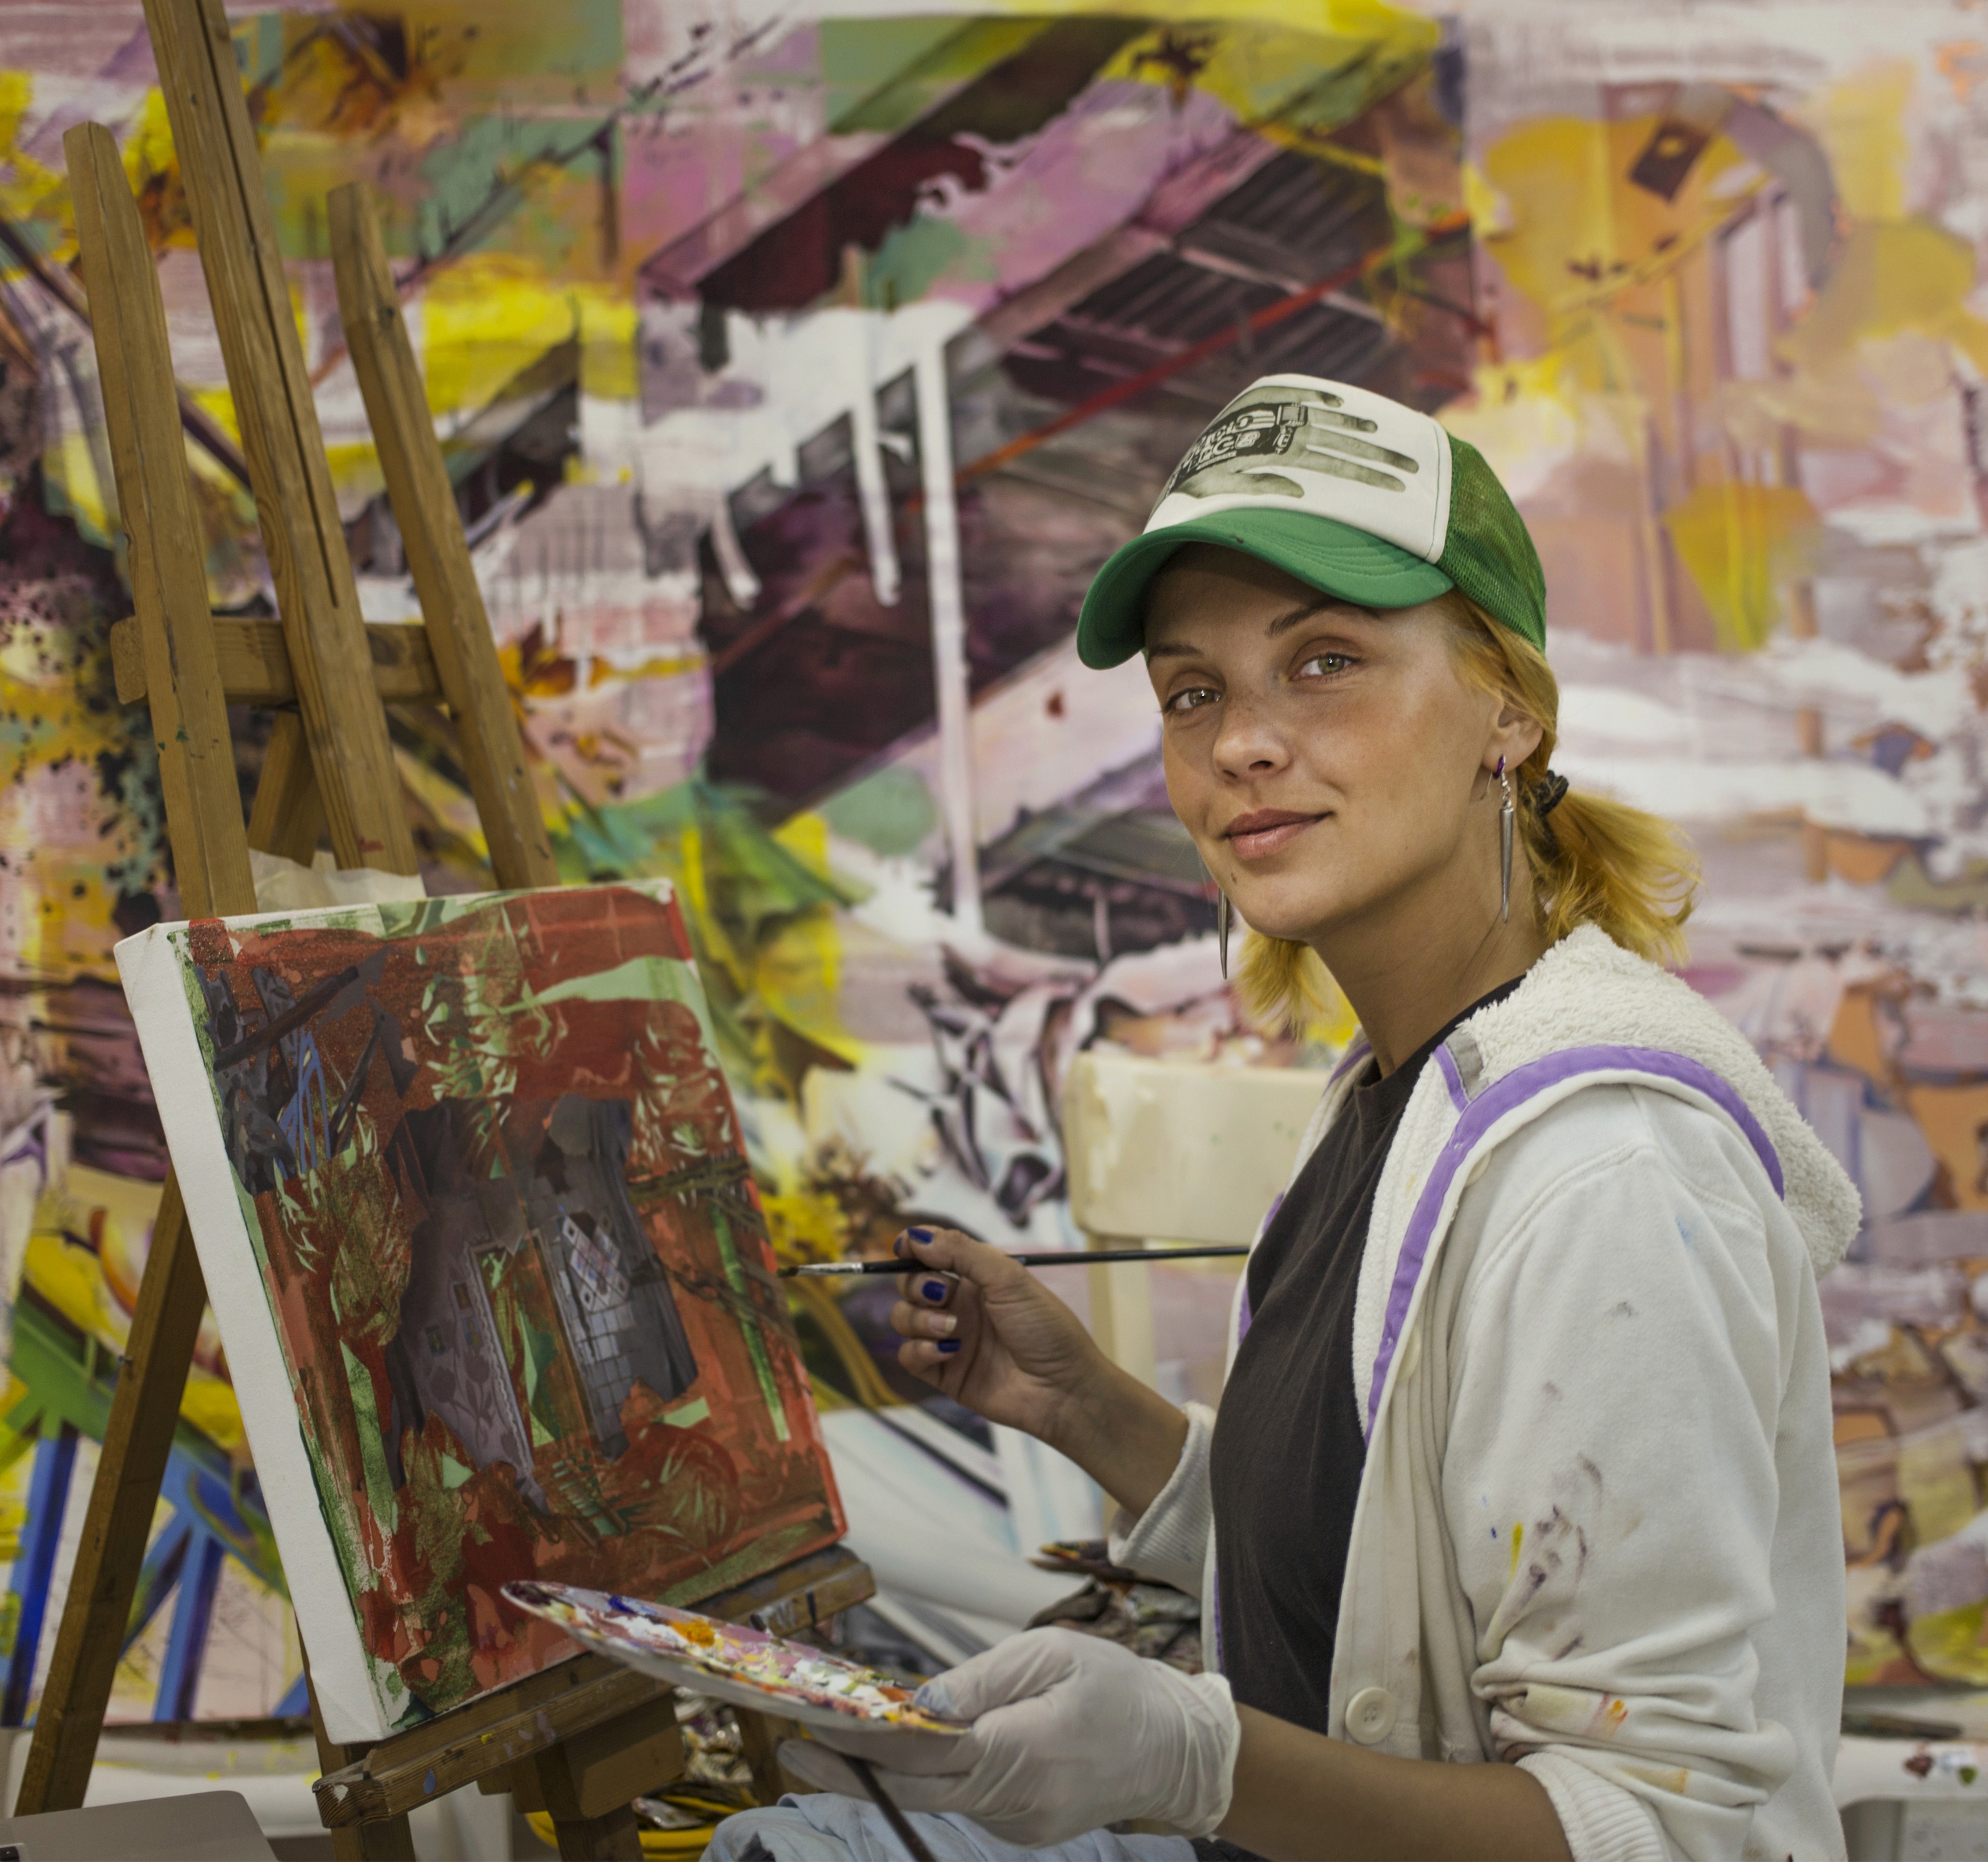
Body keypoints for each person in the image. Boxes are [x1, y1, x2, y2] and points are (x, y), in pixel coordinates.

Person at [712, 374, 1856, 1862]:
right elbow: (1374, 1593)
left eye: (1325, 662)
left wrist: (1197, 1760)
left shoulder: (1599, 1178)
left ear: (1508, 710)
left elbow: (1656, 1832)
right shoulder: (1399, 1097)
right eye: (1194, 691)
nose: (1242, 742)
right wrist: (1089, 1412)